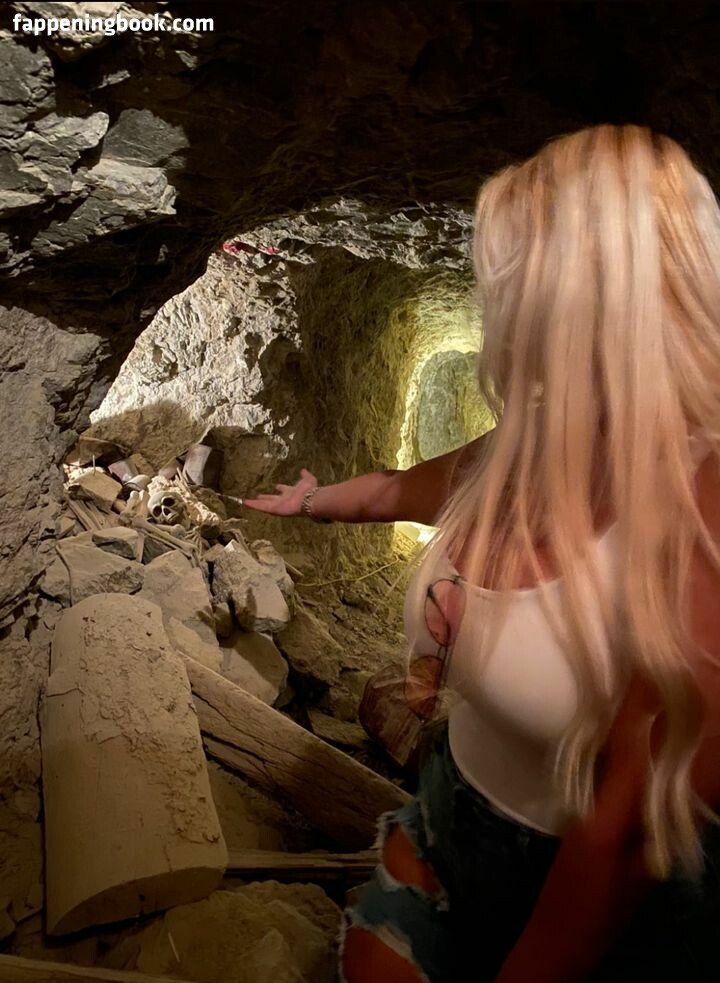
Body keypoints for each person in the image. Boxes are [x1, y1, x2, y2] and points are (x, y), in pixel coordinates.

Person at [241, 124, 720, 982]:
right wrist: (309, 500)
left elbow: (623, 833)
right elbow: (395, 491)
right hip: (447, 827)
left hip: (606, 912)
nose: (499, 308)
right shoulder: (525, 446)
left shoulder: (702, 510)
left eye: (516, 282)